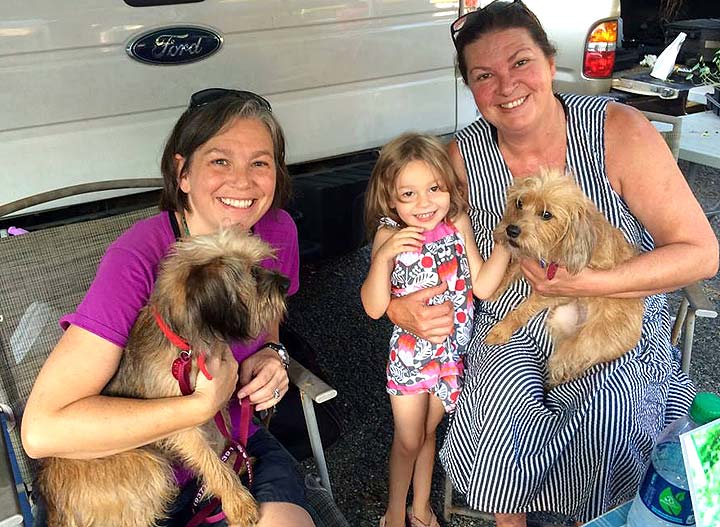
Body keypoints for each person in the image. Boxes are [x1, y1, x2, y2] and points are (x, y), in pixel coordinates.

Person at [385, 2, 719, 526]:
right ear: (469, 87)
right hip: (511, 317)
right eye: (484, 75)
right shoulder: (461, 155)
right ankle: (511, 518)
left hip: (614, 310)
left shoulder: (615, 130)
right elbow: (409, 229)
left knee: (606, 414)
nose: (506, 85)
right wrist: (397, 307)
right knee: (498, 407)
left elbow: (701, 253)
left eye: (520, 62)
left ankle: (597, 516)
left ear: (549, 60)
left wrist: (593, 282)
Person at [21, 88, 315, 527]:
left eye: (260, 163)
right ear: (183, 173)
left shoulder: (276, 229)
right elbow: (42, 431)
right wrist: (198, 407)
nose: (242, 182)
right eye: (220, 161)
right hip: (128, 474)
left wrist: (274, 353)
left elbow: (266, 318)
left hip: (233, 445)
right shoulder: (136, 259)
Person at [360, 133, 510, 527]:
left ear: (449, 188)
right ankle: (395, 513)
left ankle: (422, 509)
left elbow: (482, 285)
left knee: (428, 433)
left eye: (434, 189)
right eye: (408, 194)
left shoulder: (458, 224)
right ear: (390, 199)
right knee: (408, 439)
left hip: (451, 355)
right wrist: (383, 259)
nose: (424, 203)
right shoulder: (390, 235)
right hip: (411, 357)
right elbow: (373, 307)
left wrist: (507, 243)